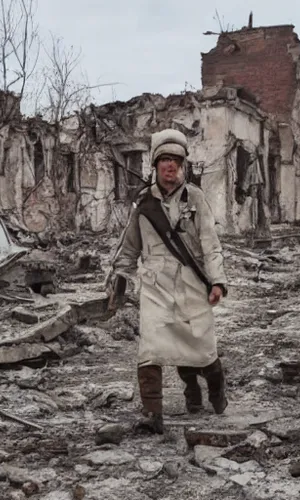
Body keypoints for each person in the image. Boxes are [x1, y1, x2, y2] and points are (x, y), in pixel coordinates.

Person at [108, 129, 229, 434]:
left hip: (191, 283)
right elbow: (129, 246)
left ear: (183, 164)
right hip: (155, 286)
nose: (169, 166)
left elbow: (210, 244)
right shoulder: (143, 203)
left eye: (175, 160)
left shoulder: (196, 198)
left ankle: (214, 389)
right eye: (164, 159)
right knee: (150, 346)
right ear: (155, 164)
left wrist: (217, 282)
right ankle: (152, 413)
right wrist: (120, 277)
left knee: (201, 349)